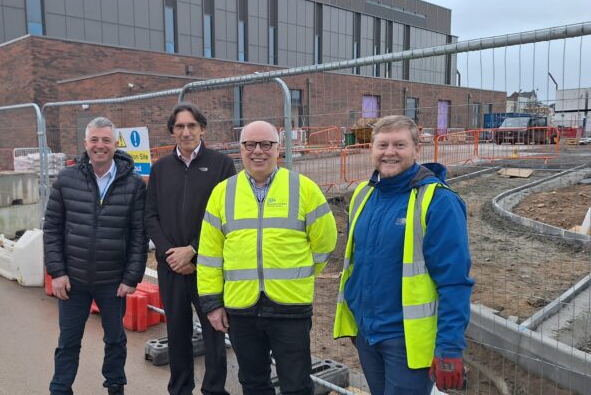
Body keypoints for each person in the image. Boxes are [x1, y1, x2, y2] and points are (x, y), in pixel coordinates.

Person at [332, 115, 474, 394]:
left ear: (416, 149)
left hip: (406, 341)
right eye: (382, 145)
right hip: (367, 335)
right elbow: (358, 264)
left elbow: (454, 281)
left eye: (399, 144)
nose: (389, 152)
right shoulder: (363, 194)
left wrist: (449, 346)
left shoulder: (438, 201)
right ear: (370, 149)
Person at [197, 120, 338, 395]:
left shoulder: (303, 188)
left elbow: (325, 243)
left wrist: (301, 274)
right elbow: (210, 254)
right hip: (241, 308)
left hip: (290, 307)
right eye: (250, 144)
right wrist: (213, 303)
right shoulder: (222, 193)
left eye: (266, 144)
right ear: (240, 149)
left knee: (297, 385)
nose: (257, 151)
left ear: (279, 149)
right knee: (253, 384)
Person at [43, 117, 148, 395]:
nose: (99, 146)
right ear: (85, 143)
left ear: (115, 144)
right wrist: (57, 272)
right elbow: (51, 228)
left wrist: (131, 278)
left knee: (115, 340)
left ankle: (115, 386)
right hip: (73, 280)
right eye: (94, 140)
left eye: (106, 140)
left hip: (113, 282)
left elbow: (139, 235)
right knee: (68, 341)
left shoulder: (134, 185)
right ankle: (60, 388)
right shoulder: (67, 179)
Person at [145, 103, 236, 395]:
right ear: (173, 131)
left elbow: (226, 216)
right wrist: (171, 253)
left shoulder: (221, 164)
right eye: (180, 126)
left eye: (192, 126)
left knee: (214, 332)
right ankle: (180, 389)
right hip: (171, 266)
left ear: (202, 129)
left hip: (207, 266)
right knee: (177, 333)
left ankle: (214, 390)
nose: (186, 132)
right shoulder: (160, 169)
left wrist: (193, 250)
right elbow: (150, 216)